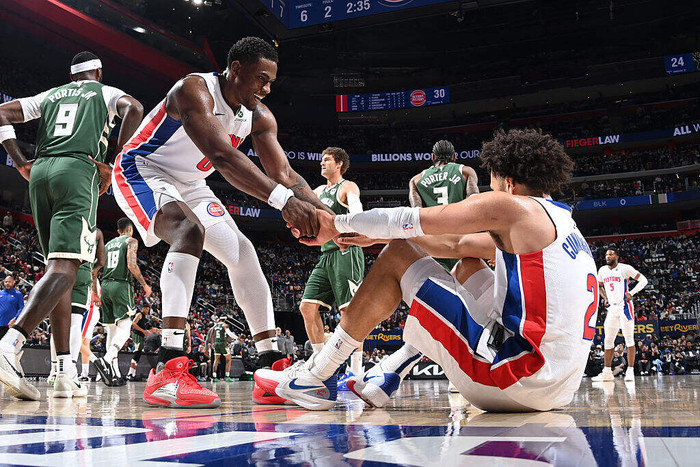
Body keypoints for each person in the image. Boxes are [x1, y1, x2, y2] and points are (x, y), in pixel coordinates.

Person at [255, 128, 599, 412]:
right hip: (556, 388)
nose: (492, 189)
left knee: (399, 252)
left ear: (509, 184)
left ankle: (319, 375)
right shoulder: (561, 222)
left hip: (511, 380)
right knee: (468, 265)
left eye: (493, 182)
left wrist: (338, 225)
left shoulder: (513, 207)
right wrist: (373, 236)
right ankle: (389, 371)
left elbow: (411, 221)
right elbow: (456, 247)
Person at [111, 36, 326, 408]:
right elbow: (221, 156)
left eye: (271, 82)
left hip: (192, 184)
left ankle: (269, 365)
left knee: (243, 252)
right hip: (142, 169)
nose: (267, 89)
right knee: (188, 230)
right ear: (236, 69)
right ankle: (166, 368)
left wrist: (331, 219)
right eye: (261, 79)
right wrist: (282, 202)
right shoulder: (194, 90)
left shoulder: (259, 116)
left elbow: (286, 174)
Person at [0, 52, 143, 400]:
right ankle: (10, 343)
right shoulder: (105, 92)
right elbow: (135, 108)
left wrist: (19, 161)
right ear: (98, 72)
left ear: (71, 76)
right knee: (66, 267)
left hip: (40, 172)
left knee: (60, 268)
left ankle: (64, 370)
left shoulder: (50, 95)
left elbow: (1, 112)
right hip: (78, 171)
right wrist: (113, 163)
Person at [298, 147, 365, 376]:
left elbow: (356, 212)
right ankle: (320, 365)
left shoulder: (348, 187)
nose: (322, 163)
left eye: (326, 160)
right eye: (321, 160)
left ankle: (355, 372)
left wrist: (350, 223)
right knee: (307, 307)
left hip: (347, 252)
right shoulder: (317, 191)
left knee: (349, 312)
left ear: (339, 164)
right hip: (326, 254)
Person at [94, 218, 152, 386]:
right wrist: (144, 284)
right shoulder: (131, 241)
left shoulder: (108, 244)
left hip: (105, 285)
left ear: (118, 231)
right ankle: (105, 360)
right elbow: (132, 265)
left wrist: (95, 292)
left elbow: (96, 267)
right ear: (130, 229)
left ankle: (115, 374)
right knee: (125, 330)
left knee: (111, 331)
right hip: (121, 285)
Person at [408, 139, 479, 272]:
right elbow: (475, 202)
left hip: (435, 244)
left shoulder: (416, 180)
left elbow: (416, 213)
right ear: (454, 157)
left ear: (433, 157)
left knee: (441, 283)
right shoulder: (466, 171)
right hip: (462, 240)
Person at [49, 228, 105, 390]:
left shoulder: (63, 220)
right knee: (75, 323)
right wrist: (92, 267)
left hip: (60, 268)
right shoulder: (96, 231)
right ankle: (70, 371)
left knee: (57, 325)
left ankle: (54, 370)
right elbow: (101, 261)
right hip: (82, 270)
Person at [592, 248, 648, 382]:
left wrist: (631, 293)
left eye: (611, 254)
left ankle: (630, 371)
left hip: (624, 306)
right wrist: (605, 297)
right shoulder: (602, 270)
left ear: (617, 256)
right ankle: (607, 372)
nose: (608, 256)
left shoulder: (625, 268)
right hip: (612, 308)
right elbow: (599, 285)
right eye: (606, 254)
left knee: (629, 340)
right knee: (608, 340)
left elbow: (644, 280)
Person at [127, 304, 158, 381]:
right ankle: (130, 374)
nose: (147, 310)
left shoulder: (145, 318)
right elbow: (133, 323)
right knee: (137, 353)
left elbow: (151, 329)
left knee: (138, 354)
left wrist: (161, 330)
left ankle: (132, 374)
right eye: (146, 309)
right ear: (142, 308)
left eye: (148, 309)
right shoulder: (139, 314)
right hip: (137, 335)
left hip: (141, 337)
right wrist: (143, 331)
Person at [208, 317, 236, 382]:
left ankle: (214, 377)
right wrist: (237, 338)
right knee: (229, 359)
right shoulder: (224, 325)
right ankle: (227, 376)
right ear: (225, 320)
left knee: (216, 360)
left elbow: (211, 335)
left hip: (216, 343)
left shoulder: (215, 326)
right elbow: (229, 333)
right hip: (223, 343)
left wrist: (212, 343)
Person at [0, 276, 24, 340]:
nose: (7, 283)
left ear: (13, 283)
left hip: (11, 325)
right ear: (3, 283)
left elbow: (21, 308)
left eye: (9, 282)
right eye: (6, 282)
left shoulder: (18, 294)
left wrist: (15, 318)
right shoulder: (0, 293)